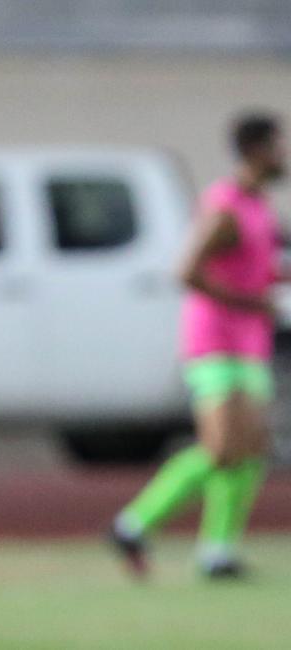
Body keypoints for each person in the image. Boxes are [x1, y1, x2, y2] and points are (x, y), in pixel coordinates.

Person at [110, 111, 286, 578]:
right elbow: (187, 271)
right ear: (255, 150)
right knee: (222, 449)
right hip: (216, 343)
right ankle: (133, 524)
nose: (283, 155)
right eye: (278, 146)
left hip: (251, 344)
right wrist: (253, 302)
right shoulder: (226, 207)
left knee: (252, 449)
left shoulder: (261, 206)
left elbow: (257, 269)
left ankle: (218, 551)